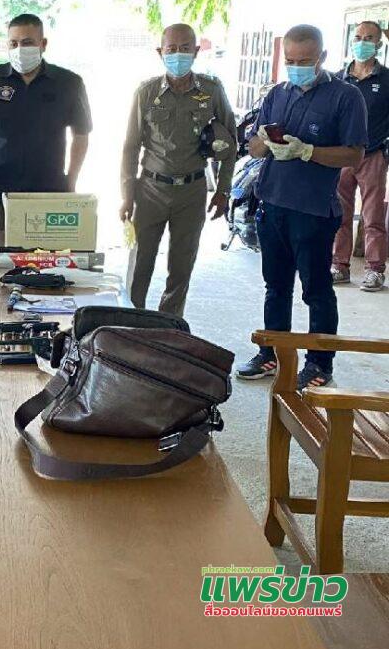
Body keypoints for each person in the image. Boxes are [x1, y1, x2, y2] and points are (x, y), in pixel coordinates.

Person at [236, 24, 368, 389]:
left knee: (316, 290)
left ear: (322, 57)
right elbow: (254, 145)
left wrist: (307, 151)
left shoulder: (345, 97)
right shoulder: (278, 94)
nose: (296, 67)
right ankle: (272, 354)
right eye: (290, 61)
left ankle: (319, 364)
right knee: (275, 287)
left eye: (304, 61)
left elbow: (354, 155)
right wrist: (264, 143)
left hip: (312, 211)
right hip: (272, 204)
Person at [120, 23, 238, 317]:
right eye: (171, 49)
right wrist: (127, 195)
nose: (177, 55)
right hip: (150, 190)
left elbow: (231, 144)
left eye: (185, 48)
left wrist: (223, 190)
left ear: (196, 51)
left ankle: (169, 325)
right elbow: (130, 147)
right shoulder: (146, 92)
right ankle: (130, 324)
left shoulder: (211, 91)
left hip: (192, 191)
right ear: (160, 52)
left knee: (182, 266)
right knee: (140, 263)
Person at [0, 13, 92, 230]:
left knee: (46, 250)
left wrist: (71, 180)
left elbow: (81, 135)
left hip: (49, 189)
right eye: (14, 43)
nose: (20, 49)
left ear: (43, 44)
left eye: (27, 42)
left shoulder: (69, 83)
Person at [332, 20, 388, 292]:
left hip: (373, 154)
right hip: (342, 155)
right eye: (358, 37)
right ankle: (339, 266)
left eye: (369, 38)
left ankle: (375, 269)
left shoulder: (386, 79)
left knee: (373, 215)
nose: (362, 42)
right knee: (339, 213)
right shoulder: (338, 79)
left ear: (378, 44)